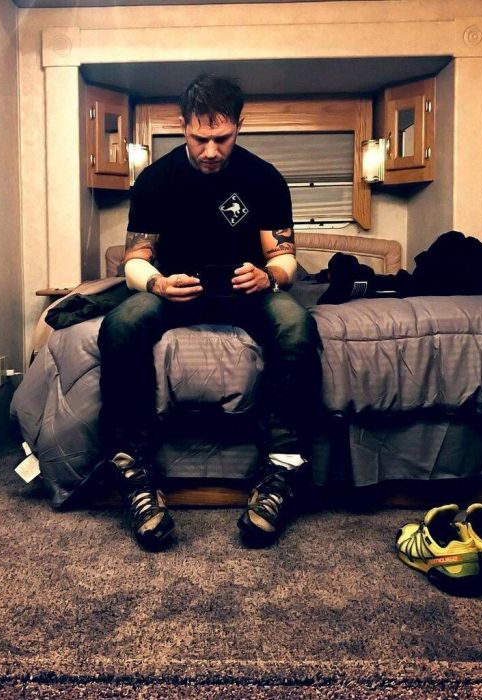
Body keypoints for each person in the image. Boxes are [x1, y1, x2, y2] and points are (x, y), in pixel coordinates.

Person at [97, 75, 321, 550]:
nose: (212, 151)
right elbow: (135, 259)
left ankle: (281, 471)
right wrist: (157, 283)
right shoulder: (156, 180)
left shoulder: (264, 178)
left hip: (246, 293)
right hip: (175, 292)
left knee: (297, 323)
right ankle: (135, 473)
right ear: (183, 126)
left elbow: (284, 257)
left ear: (240, 125)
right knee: (121, 323)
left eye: (223, 137)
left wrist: (270, 276)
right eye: (201, 138)